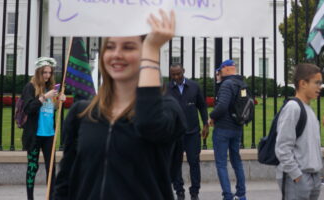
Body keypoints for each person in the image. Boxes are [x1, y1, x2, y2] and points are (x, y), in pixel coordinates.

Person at [55, 10, 186, 200]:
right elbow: (65, 182)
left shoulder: (167, 110)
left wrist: (151, 48)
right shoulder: (82, 113)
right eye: (110, 47)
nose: (116, 54)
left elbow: (150, 125)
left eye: (128, 47)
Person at [275, 63, 323, 200]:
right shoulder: (293, 108)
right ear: (303, 83)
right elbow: (283, 147)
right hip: (297, 177)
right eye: (317, 83)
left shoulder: (308, 109)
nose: (320, 87)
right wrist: (296, 175)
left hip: (313, 176)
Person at [21, 57, 65, 200]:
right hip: (34, 135)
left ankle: (51, 197)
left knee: (51, 168)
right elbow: (28, 108)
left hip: (49, 135)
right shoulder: (30, 87)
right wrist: (44, 97)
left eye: (50, 72)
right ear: (39, 72)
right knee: (32, 167)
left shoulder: (51, 88)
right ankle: (30, 198)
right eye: (44, 72)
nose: (47, 75)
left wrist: (59, 101)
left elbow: (52, 110)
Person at [166, 63, 209, 200]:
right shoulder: (166, 89)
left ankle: (195, 192)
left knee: (194, 162)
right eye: (173, 74)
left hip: (192, 132)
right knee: (176, 163)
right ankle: (179, 191)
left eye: (178, 74)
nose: (176, 77)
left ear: (183, 71)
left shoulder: (194, 86)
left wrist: (206, 124)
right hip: (174, 133)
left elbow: (202, 106)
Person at [209, 59, 247, 200]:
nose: (218, 74)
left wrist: (211, 116)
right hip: (237, 127)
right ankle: (241, 194)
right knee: (236, 161)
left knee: (221, 164)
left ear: (225, 68)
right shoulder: (241, 84)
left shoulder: (227, 84)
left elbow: (222, 106)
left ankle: (227, 195)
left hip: (223, 129)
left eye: (219, 71)